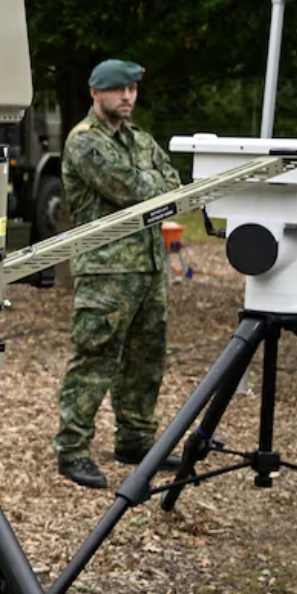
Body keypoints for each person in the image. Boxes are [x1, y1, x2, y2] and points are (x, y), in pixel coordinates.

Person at [54, 59, 184, 489]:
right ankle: (72, 450)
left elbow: (175, 185)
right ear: (95, 93)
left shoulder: (139, 139)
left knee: (146, 360)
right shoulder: (84, 141)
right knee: (95, 358)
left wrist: (154, 182)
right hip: (105, 271)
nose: (127, 97)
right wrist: (153, 182)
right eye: (118, 90)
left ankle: (136, 440)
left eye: (132, 89)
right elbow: (133, 189)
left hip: (147, 267)